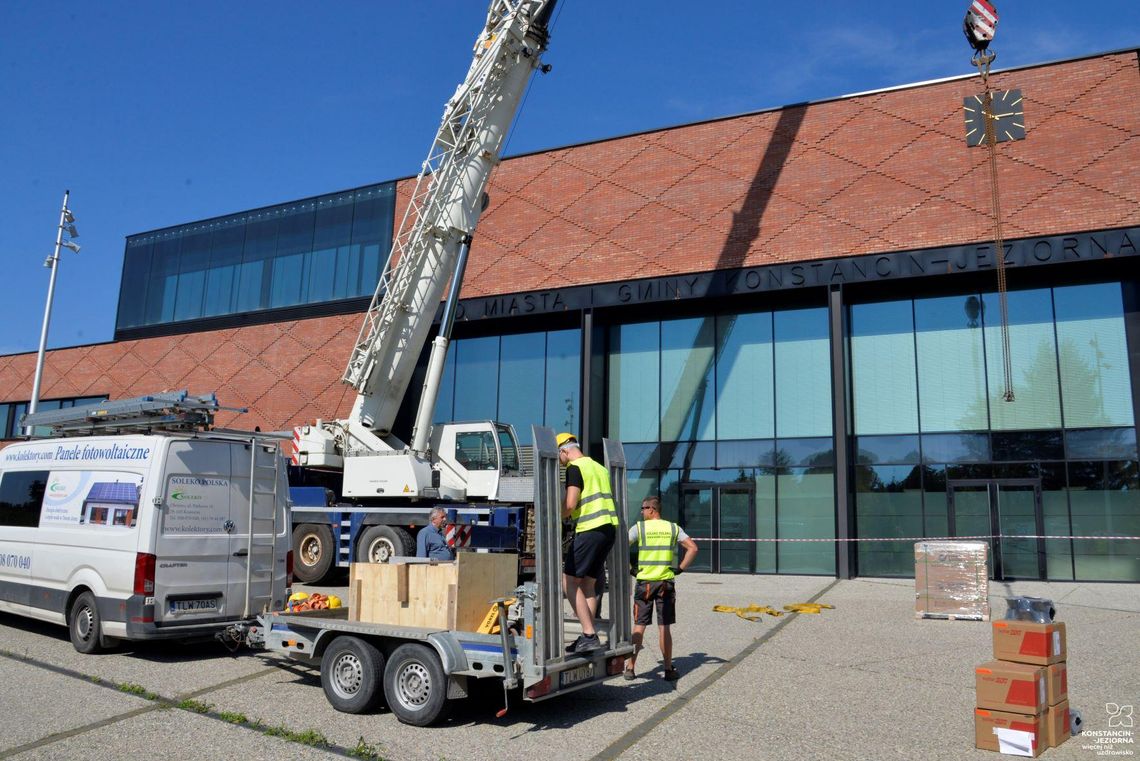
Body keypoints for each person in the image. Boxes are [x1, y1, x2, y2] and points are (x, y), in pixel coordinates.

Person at [557, 432, 619, 654]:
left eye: (559, 457)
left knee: (568, 582)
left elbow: (571, 503)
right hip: (608, 529)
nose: (560, 461)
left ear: (564, 451)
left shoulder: (574, 468)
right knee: (588, 585)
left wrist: (558, 515)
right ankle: (587, 635)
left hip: (590, 528)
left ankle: (589, 634)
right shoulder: (599, 467)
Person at [625, 495, 697, 681]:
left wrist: (630, 569)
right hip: (665, 584)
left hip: (644, 584)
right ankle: (667, 669)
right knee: (664, 627)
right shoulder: (673, 528)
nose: (641, 512)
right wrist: (680, 568)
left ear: (652, 509)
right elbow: (693, 548)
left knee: (639, 626)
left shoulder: (639, 528)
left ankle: (630, 668)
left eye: (643, 508)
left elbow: (620, 547)